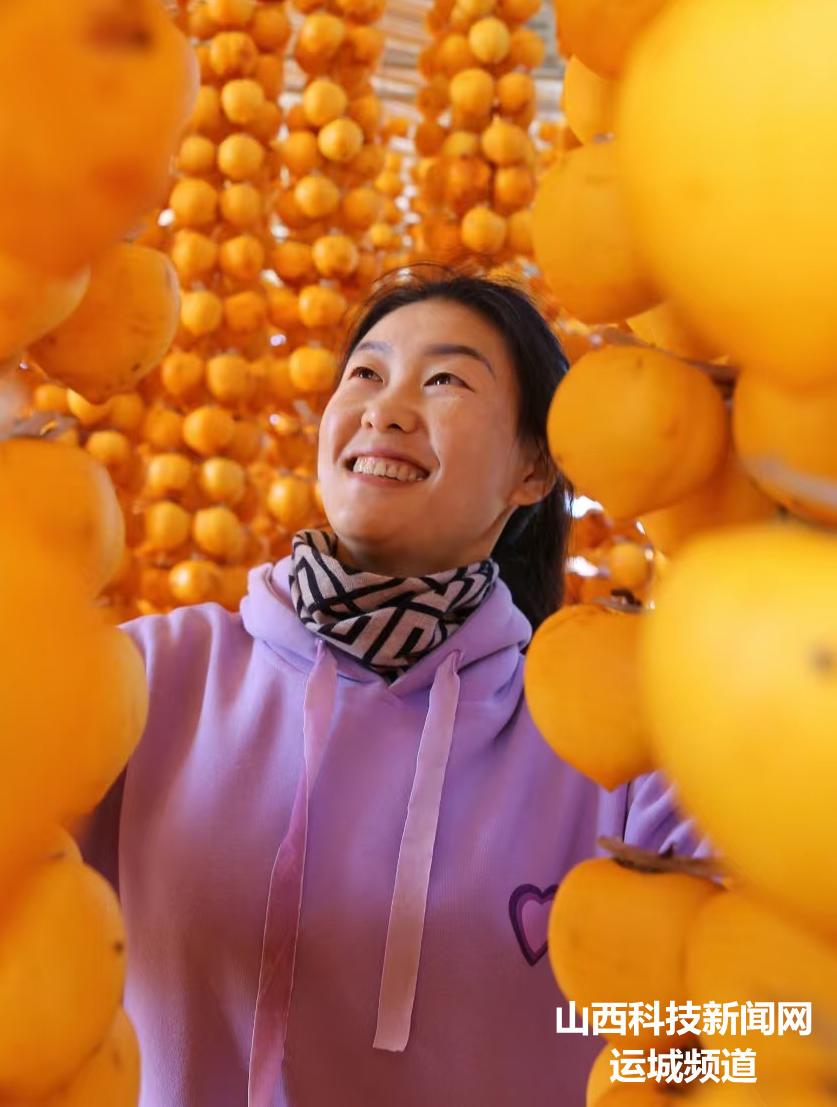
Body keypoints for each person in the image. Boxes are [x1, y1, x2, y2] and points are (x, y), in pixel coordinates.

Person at [84, 266, 705, 1107]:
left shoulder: (606, 736)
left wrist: (603, 1069)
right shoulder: (152, 676)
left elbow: (758, 1031)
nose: (386, 409)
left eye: (444, 380)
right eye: (366, 374)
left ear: (533, 469)